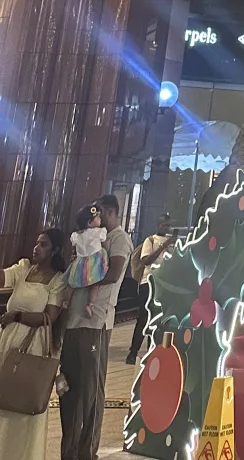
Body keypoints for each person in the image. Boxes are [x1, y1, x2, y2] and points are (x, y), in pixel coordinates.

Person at [60, 192, 132, 460]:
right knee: (70, 387)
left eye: (100, 211)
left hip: (96, 320)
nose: (97, 216)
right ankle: (69, 449)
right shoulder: (90, 236)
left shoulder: (118, 238)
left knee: (91, 390)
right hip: (74, 320)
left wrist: (83, 275)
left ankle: (86, 451)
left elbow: (112, 274)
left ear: (111, 212)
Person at [0, 227, 69, 460]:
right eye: (37, 243)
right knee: (3, 398)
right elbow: (3, 277)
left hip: (33, 347)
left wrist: (17, 315)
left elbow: (50, 316)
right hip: (7, 342)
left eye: (43, 244)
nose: (36, 248)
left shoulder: (58, 280)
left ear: (55, 250)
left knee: (23, 400)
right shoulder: (24, 269)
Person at [127, 214, 174, 363]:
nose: (166, 228)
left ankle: (151, 351)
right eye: (164, 225)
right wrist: (163, 246)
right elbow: (146, 260)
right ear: (158, 225)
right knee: (144, 317)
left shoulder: (171, 243)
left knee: (158, 319)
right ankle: (133, 352)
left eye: (168, 225)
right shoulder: (151, 240)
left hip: (163, 284)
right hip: (148, 282)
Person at [65, 206, 109, 320]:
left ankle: (66, 301)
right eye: (98, 218)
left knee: (72, 283)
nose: (100, 219)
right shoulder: (99, 232)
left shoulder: (76, 235)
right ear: (89, 222)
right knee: (95, 284)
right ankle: (90, 304)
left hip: (80, 262)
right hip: (94, 261)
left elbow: (74, 249)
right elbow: (104, 242)